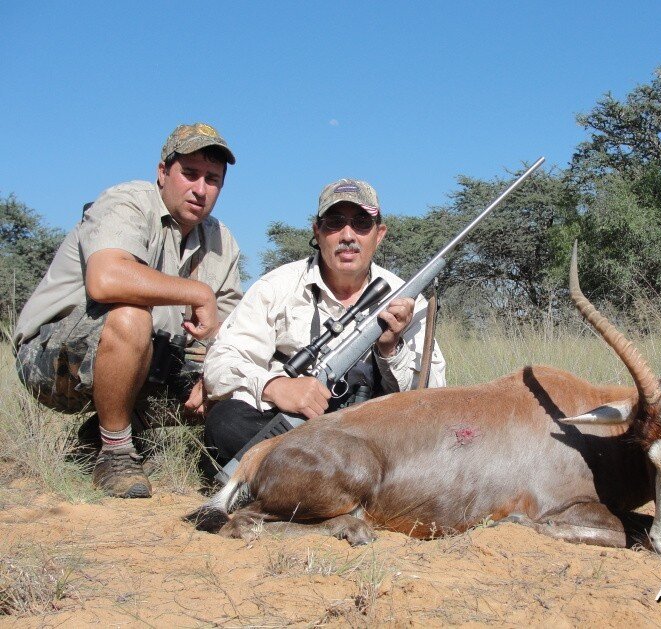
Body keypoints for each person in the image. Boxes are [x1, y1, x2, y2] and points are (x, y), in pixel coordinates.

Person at [13, 123, 243, 499]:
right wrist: (198, 292)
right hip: (51, 360)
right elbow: (105, 280)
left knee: (231, 377)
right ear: (162, 172)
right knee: (131, 315)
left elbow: (229, 327)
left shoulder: (222, 239)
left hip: (151, 356)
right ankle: (116, 454)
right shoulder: (126, 202)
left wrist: (213, 376)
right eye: (190, 174)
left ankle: (101, 436)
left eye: (213, 179)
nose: (200, 190)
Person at [201, 178, 446, 475]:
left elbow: (434, 394)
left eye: (361, 223)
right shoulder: (276, 286)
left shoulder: (406, 299)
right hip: (296, 432)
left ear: (379, 234)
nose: (347, 235)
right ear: (317, 231)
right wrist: (275, 386)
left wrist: (391, 348)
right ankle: (350, 481)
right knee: (226, 421)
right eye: (334, 222)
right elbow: (219, 363)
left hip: (371, 434)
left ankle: (305, 479)